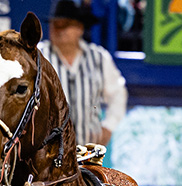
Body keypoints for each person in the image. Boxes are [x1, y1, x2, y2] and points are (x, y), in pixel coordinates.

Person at [37, 0, 128, 147]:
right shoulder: (38, 56)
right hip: (47, 153)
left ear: (79, 27)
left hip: (88, 151)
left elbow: (118, 92)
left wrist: (109, 126)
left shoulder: (98, 57)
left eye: (65, 24)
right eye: (55, 24)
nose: (58, 30)